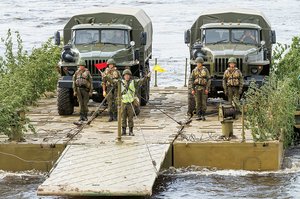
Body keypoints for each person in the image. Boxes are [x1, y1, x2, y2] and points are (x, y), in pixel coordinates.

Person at [120, 69, 150, 136]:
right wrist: (106, 77)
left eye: (128, 75)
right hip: (123, 102)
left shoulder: (134, 82)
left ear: (130, 76)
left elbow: (141, 81)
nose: (127, 76)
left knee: (130, 118)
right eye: (125, 75)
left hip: (130, 103)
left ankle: (131, 131)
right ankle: (123, 131)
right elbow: (112, 81)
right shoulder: (120, 82)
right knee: (123, 118)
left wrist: (146, 77)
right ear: (123, 76)